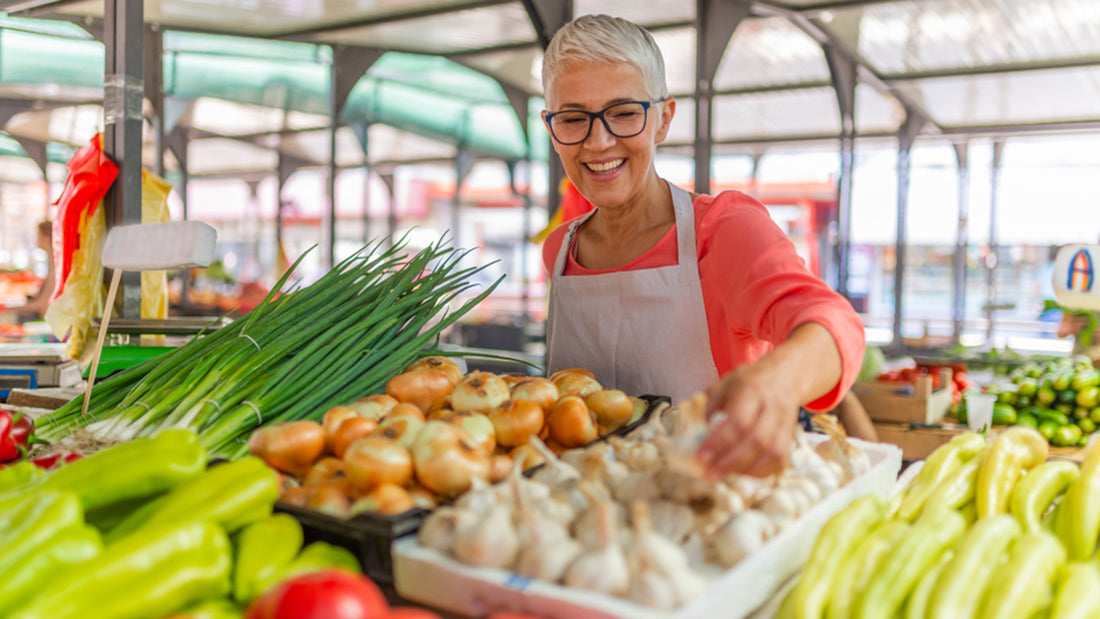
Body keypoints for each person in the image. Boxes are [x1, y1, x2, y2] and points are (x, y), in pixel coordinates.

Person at [539, 15, 866, 479]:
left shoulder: (725, 230)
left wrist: (777, 382)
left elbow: (837, 325)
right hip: (576, 509)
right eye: (573, 118)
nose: (599, 141)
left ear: (663, 119)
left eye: (625, 113)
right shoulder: (558, 250)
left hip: (703, 502)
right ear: (551, 128)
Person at [18, 220, 56, 322]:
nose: (36, 239)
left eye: (37, 234)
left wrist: (11, 309)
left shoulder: (56, 264)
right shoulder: (52, 262)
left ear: (46, 236)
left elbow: (43, 304)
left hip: (46, 323)